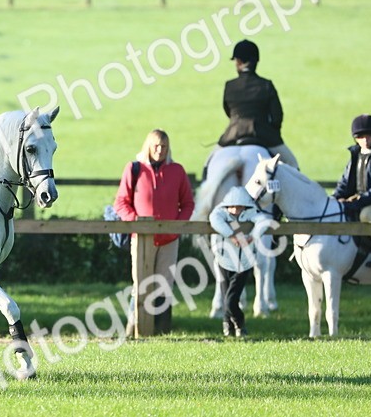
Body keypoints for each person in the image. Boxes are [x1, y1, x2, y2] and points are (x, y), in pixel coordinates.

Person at [113, 129, 195, 333]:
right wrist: (136, 223)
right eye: (156, 145)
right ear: (148, 146)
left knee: (164, 285)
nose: (160, 150)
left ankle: (162, 329)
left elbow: (187, 203)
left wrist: (177, 226)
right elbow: (121, 203)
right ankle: (133, 328)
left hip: (169, 239)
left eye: (164, 146)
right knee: (140, 283)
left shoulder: (177, 171)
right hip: (141, 238)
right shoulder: (134, 169)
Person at [217, 39, 299, 168]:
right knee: (292, 164)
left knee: (209, 164)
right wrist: (272, 131)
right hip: (264, 135)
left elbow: (228, 111)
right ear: (256, 61)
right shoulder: (266, 85)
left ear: (238, 62)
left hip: (233, 135)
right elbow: (277, 116)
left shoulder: (230, 85)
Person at [332, 114, 371, 269]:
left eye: (369, 135)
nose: (365, 140)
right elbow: (345, 182)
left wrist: (360, 200)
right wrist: (334, 199)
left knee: (365, 215)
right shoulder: (354, 157)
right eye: (361, 136)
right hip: (358, 200)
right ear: (355, 138)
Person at [208, 186, 268, 337]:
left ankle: (240, 324)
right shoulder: (220, 213)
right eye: (232, 206)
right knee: (225, 295)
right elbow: (214, 218)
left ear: (245, 206)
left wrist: (252, 236)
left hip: (244, 263)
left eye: (239, 206)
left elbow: (263, 221)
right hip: (223, 260)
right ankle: (229, 327)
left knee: (230, 300)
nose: (235, 209)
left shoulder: (251, 213)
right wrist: (231, 235)